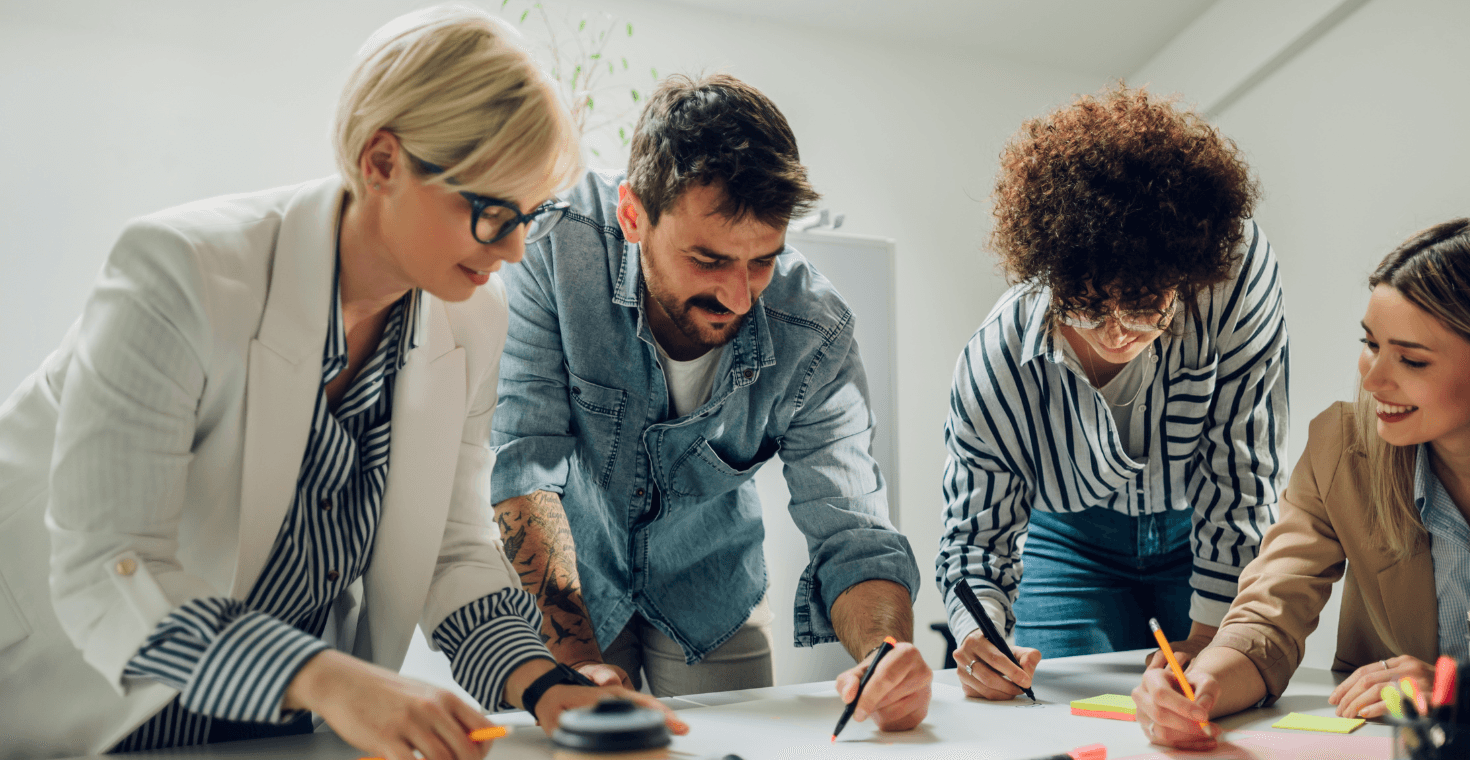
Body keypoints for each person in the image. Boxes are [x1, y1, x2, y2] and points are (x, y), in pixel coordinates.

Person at [0, 7, 681, 759]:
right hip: (72, 701)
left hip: (268, 724)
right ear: (382, 161)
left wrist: (545, 683)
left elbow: (451, 552)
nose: (516, 250)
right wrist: (325, 677)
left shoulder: (472, 321)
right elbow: (110, 563)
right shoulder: (179, 271)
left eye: (530, 216)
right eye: (492, 213)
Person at [489, 73, 931, 730]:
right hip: (565, 580)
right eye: (708, 260)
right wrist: (578, 664)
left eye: (762, 262)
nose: (739, 298)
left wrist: (885, 655)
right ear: (633, 214)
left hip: (712, 591)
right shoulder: (554, 247)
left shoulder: (815, 330)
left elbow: (853, 532)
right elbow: (527, 464)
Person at [1133, 213, 1470, 750]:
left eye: (1411, 359)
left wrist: (1465, 692)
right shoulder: (1341, 447)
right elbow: (1265, 623)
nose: (1372, 379)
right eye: (1371, 344)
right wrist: (1199, 686)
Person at [936, 84, 1288, 701]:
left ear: (1183, 275)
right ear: (1050, 274)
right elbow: (974, 539)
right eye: (1091, 309)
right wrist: (982, 636)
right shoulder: (996, 360)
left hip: (1203, 524)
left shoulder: (1233, 278)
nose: (1120, 333)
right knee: (1064, 712)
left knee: (1210, 709)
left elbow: (1241, 469)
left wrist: (1212, 644)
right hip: (1070, 537)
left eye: (1148, 308)